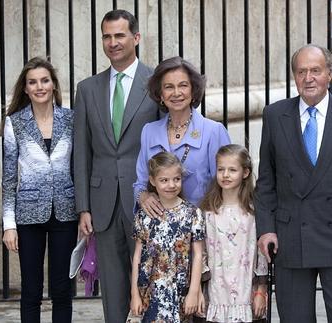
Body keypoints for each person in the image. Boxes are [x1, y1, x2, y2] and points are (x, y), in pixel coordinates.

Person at [255, 44, 332, 323]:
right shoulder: (274, 114)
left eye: (315, 70)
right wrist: (266, 229)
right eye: (301, 71)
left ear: (329, 73)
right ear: (294, 77)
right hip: (291, 239)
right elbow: (266, 179)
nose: (308, 78)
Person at [73, 9, 160, 323]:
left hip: (148, 203)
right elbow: (81, 153)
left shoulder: (157, 83)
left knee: (153, 285)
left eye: (119, 35)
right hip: (103, 205)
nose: (113, 43)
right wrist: (83, 207)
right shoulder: (87, 89)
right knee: (112, 292)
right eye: (107, 37)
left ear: (135, 38)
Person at [2, 57, 77, 322]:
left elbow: (78, 168)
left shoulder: (71, 119)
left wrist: (85, 211)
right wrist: (8, 224)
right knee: (31, 290)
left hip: (66, 214)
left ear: (54, 85)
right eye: (32, 82)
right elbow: (9, 177)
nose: (39, 87)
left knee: (62, 289)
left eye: (44, 80)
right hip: (28, 215)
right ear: (25, 88)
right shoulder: (15, 122)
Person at [134, 56, 230, 217]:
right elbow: (140, 183)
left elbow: (226, 186)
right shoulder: (149, 132)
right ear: (161, 95)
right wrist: (143, 196)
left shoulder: (214, 131)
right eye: (169, 87)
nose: (176, 93)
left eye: (183, 85)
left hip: (203, 227)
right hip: (159, 229)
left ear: (193, 91)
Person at [130, 152, 205, 322]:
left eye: (176, 179)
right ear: (152, 180)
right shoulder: (144, 216)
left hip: (179, 292)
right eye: (164, 180)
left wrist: (194, 291)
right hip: (148, 293)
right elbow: (137, 257)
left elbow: (199, 255)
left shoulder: (193, 214)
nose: (171, 185)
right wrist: (134, 293)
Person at [200, 144, 268, 322]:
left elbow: (261, 255)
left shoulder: (253, 211)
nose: (225, 175)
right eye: (221, 169)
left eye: (232, 170)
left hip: (246, 293)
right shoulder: (208, 211)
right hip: (217, 293)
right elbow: (201, 253)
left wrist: (261, 290)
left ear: (245, 173)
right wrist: (199, 290)